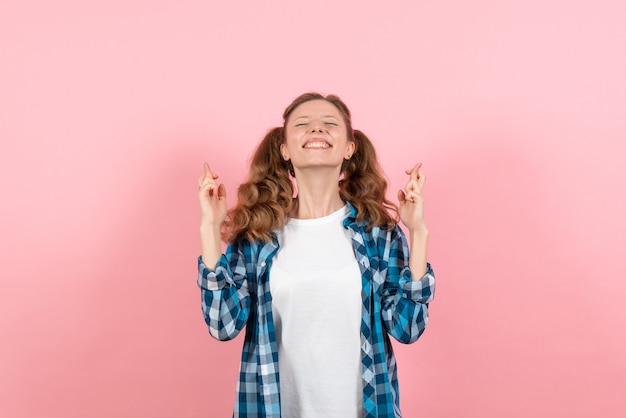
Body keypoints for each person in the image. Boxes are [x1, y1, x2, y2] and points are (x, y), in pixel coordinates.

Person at [197, 92, 435, 418]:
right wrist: (210, 229)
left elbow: (408, 328)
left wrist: (418, 232)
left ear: (349, 147)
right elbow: (222, 324)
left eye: (329, 124)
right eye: (303, 124)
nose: (316, 130)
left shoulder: (379, 233)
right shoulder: (257, 235)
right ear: (284, 148)